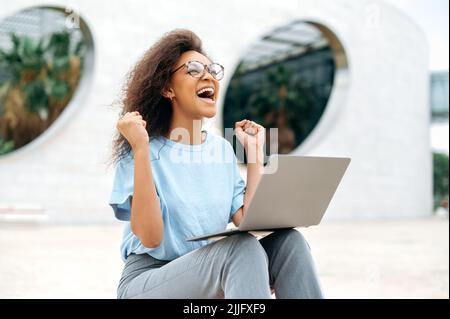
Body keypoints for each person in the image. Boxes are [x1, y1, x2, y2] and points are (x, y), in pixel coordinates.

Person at [109, 29, 323, 299]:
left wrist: (255, 155)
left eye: (211, 70)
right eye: (193, 70)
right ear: (167, 88)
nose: (208, 76)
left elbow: (248, 221)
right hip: (148, 281)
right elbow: (151, 238)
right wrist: (140, 149)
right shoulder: (141, 146)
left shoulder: (221, 149)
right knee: (239, 248)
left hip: (208, 269)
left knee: (290, 243)